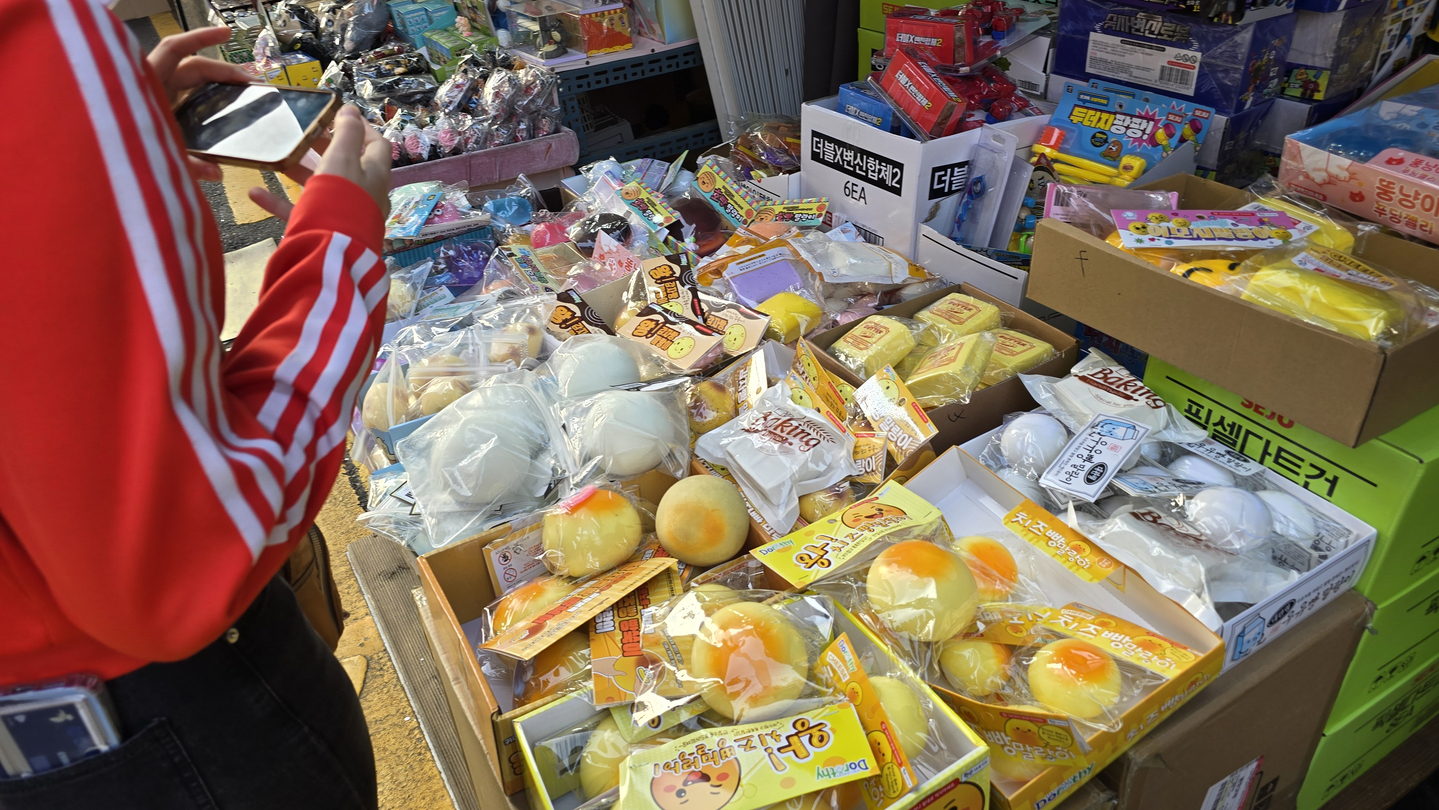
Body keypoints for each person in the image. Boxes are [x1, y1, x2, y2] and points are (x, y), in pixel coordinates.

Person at [0, 3, 390, 807]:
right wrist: (339, 243)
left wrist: (94, 147)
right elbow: (177, 559)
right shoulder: (30, 42)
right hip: (146, 727)